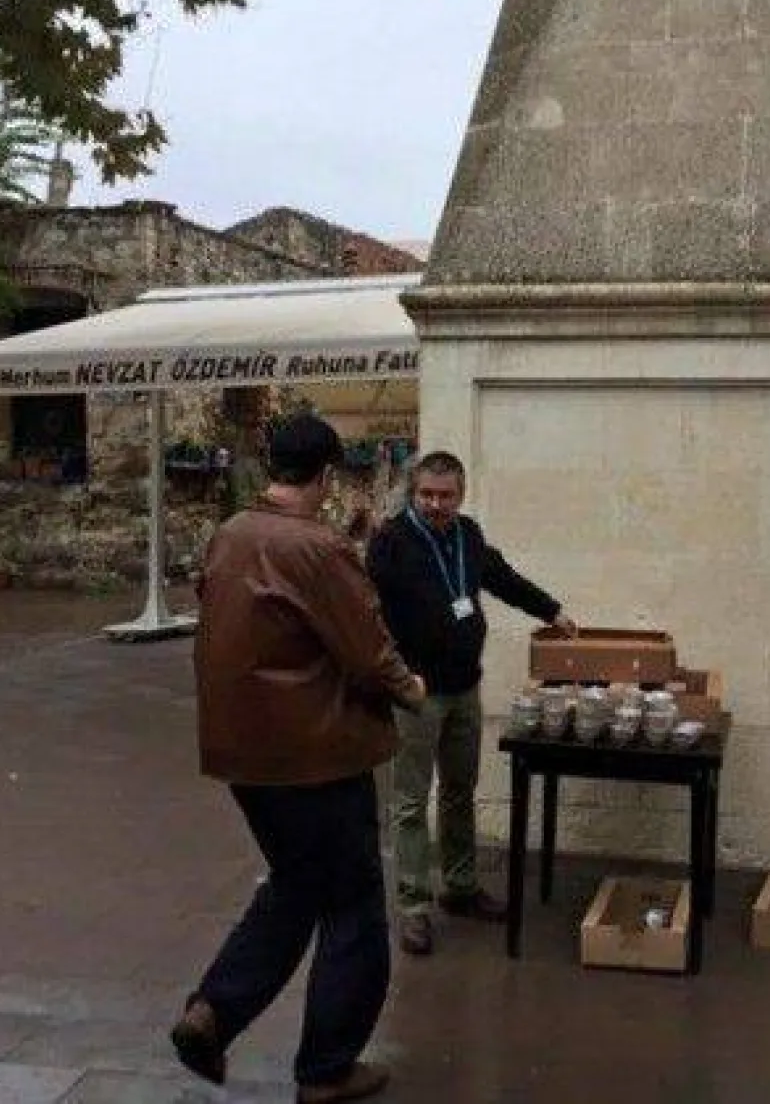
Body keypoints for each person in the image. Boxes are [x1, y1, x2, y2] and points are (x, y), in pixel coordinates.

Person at [170, 413, 427, 1104]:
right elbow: (365, 647)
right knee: (353, 906)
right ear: (325, 473)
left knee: (296, 884)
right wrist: (413, 689)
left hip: (241, 751)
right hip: (315, 753)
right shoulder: (316, 545)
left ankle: (213, 1011)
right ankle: (327, 1067)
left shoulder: (232, 533)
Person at [365, 450, 577, 956]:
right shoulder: (391, 542)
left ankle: (459, 887)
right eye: (428, 495)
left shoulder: (468, 536)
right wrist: (394, 673)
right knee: (411, 803)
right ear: (414, 494)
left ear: (461, 495)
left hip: (464, 688)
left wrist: (552, 611)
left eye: (447, 496)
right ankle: (413, 906)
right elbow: (364, 612)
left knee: (461, 789)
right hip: (415, 694)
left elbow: (502, 579)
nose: (437, 505)